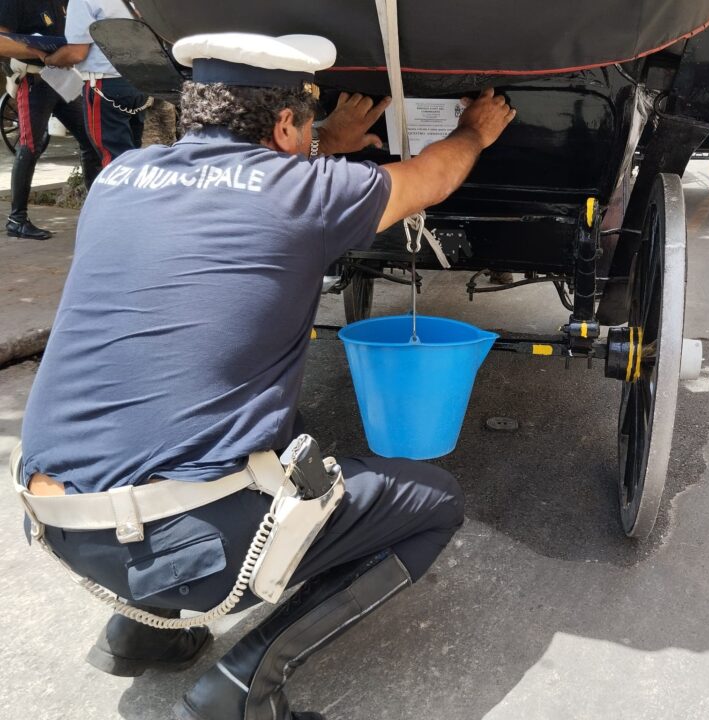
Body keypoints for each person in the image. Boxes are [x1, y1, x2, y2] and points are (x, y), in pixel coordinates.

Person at [14, 32, 514, 720]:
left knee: (261, 418)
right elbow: (432, 175)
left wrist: (324, 143)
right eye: (305, 123)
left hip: (55, 519)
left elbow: (232, 178)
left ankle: (139, 632)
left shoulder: (121, 179)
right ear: (285, 124)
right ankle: (243, 690)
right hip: (187, 540)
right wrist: (473, 129)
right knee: (434, 502)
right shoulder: (306, 192)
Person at [0, 0, 101, 239]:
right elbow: (2, 42)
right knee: (30, 145)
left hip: (62, 78)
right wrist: (36, 52)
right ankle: (17, 219)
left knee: (90, 139)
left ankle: (94, 210)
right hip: (33, 78)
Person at [44, 0, 151, 166]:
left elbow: (76, 53)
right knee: (132, 158)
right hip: (138, 81)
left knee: (113, 162)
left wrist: (48, 59)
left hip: (105, 83)